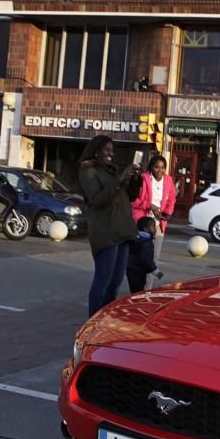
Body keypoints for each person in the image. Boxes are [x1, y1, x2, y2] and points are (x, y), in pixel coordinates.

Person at [79, 135, 140, 316]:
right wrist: (120, 180)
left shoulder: (112, 171)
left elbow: (130, 196)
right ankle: (93, 320)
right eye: (107, 150)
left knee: (116, 280)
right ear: (96, 151)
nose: (110, 154)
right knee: (103, 278)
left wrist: (135, 180)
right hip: (105, 231)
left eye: (112, 150)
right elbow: (97, 199)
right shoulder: (88, 170)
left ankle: (104, 317)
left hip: (122, 230)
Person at [130, 155, 177, 289]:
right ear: (151, 167)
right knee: (141, 257)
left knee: (154, 258)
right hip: (143, 223)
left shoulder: (168, 180)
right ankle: (137, 288)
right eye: (156, 167)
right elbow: (133, 200)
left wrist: (166, 213)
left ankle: (147, 290)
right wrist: (149, 205)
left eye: (162, 168)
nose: (159, 170)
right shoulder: (144, 179)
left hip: (158, 224)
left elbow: (172, 199)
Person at [126, 217, 163, 293]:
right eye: (153, 227)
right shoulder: (146, 242)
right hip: (138, 270)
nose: (155, 230)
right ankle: (137, 303)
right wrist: (155, 271)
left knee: (134, 290)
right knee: (138, 291)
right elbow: (145, 259)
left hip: (130, 268)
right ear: (146, 229)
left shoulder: (136, 238)